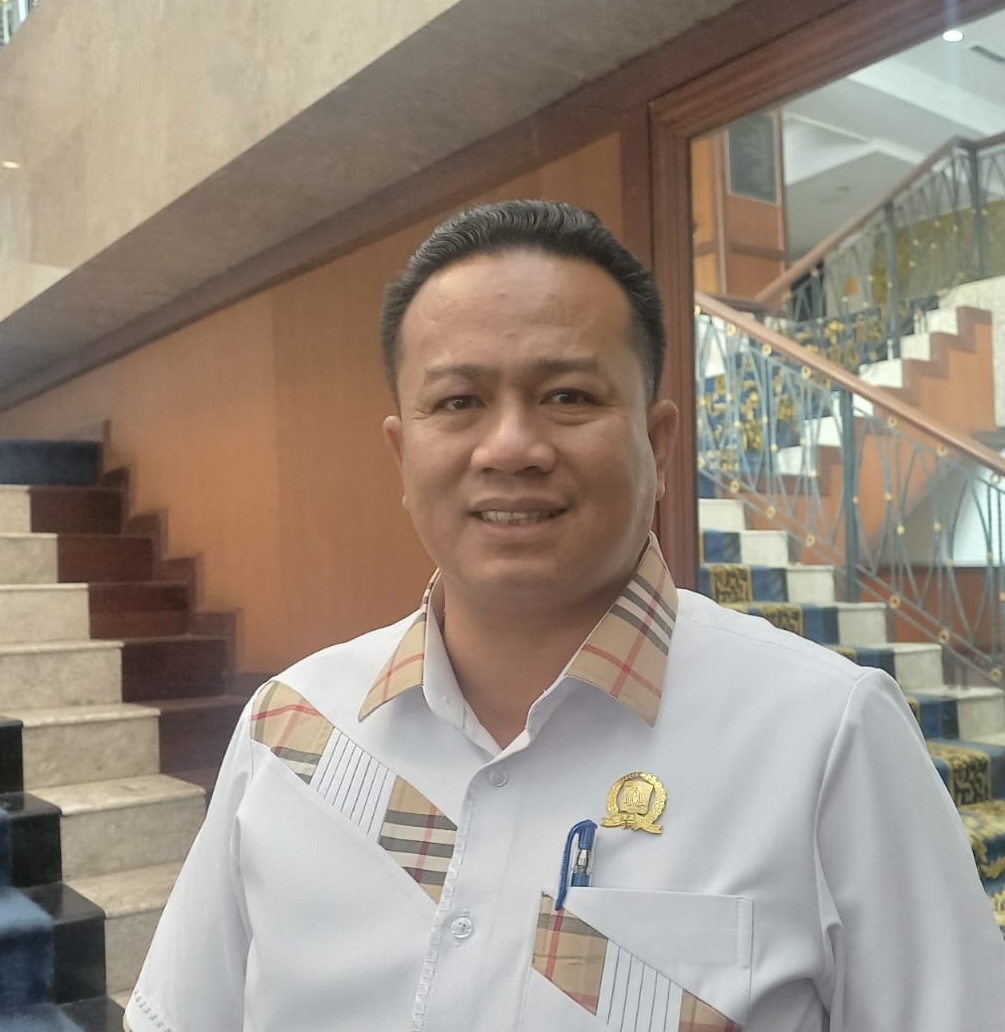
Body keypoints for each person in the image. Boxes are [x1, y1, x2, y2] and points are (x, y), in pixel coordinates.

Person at [125, 200, 1005, 1032]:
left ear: (657, 443)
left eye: (569, 396)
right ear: (403, 452)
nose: (511, 447)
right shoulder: (290, 729)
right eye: (458, 402)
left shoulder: (824, 735)